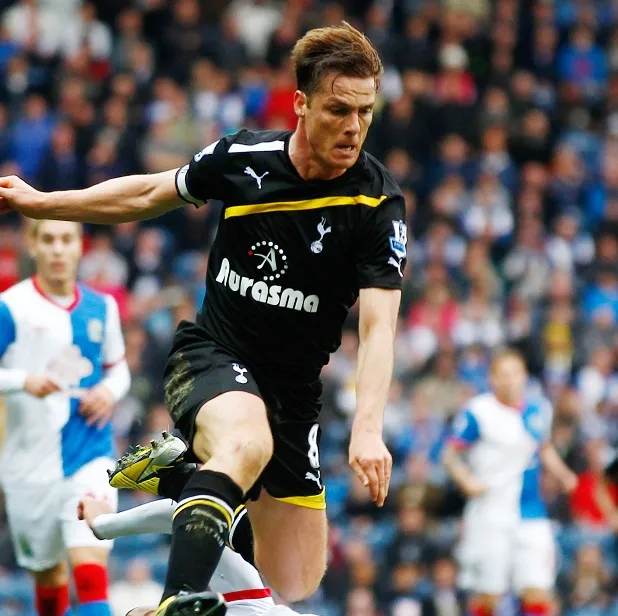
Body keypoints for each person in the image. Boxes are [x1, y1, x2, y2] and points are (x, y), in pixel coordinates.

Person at [0, 22, 405, 616]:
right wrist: (43, 202)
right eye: (338, 109)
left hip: (294, 397)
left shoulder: (376, 204)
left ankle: (183, 476)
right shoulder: (243, 159)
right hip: (214, 358)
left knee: (293, 582)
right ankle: (177, 602)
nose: (353, 127)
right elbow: (144, 195)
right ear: (301, 103)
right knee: (244, 443)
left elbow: (378, 329)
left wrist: (368, 426)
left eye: (365, 112)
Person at [0, 220, 131, 616]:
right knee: (50, 579)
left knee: (91, 573)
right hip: (28, 463)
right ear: (34, 246)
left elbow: (118, 368)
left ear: (80, 248)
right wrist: (25, 380)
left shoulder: (101, 307)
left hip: (89, 453)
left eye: (66, 240)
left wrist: (108, 392)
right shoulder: (10, 307)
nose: (58, 249)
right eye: (49, 240)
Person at [443, 348, 577, 616]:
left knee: (537, 589)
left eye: (515, 374)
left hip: (531, 511)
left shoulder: (540, 409)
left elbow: (543, 448)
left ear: (524, 376)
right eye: (503, 375)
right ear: (492, 378)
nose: (510, 380)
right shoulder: (478, 411)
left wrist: (564, 475)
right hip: (491, 511)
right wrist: (467, 480)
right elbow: (449, 455)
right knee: (489, 594)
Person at [77, 496, 317, 616]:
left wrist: (106, 524)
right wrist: (105, 525)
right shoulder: (248, 608)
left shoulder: (243, 606)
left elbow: (192, 511)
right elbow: (196, 510)